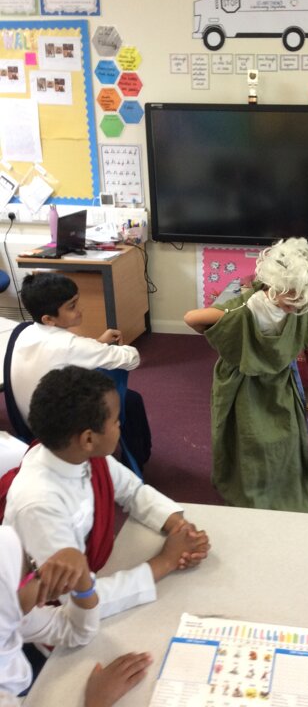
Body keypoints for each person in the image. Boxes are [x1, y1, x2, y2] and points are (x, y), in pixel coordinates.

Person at [3, 366, 210, 619]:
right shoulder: (39, 505)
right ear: (88, 439)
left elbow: (132, 491)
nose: (120, 424)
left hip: (92, 568)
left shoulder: (77, 455)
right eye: (115, 420)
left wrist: (180, 528)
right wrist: (166, 561)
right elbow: (79, 600)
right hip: (44, 616)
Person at [184, 237, 308, 512]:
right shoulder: (246, 308)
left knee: (288, 435)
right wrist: (226, 330)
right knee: (251, 441)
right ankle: (252, 494)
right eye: (290, 302)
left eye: (300, 304)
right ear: (274, 285)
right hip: (243, 386)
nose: (295, 309)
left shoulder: (299, 301)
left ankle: (285, 487)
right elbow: (192, 318)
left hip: (281, 380)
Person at [0, 526, 152, 707]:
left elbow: (75, 630)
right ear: (8, 599)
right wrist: (97, 702)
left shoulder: (11, 621)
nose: (40, 571)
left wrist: (82, 580)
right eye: (32, 565)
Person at [11, 273, 151, 468]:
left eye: (77, 302)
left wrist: (97, 344)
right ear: (49, 319)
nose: (80, 310)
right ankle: (136, 461)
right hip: (61, 433)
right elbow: (132, 359)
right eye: (72, 306)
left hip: (29, 423)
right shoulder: (71, 345)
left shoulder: (24, 331)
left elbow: (70, 353)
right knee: (129, 401)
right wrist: (105, 348)